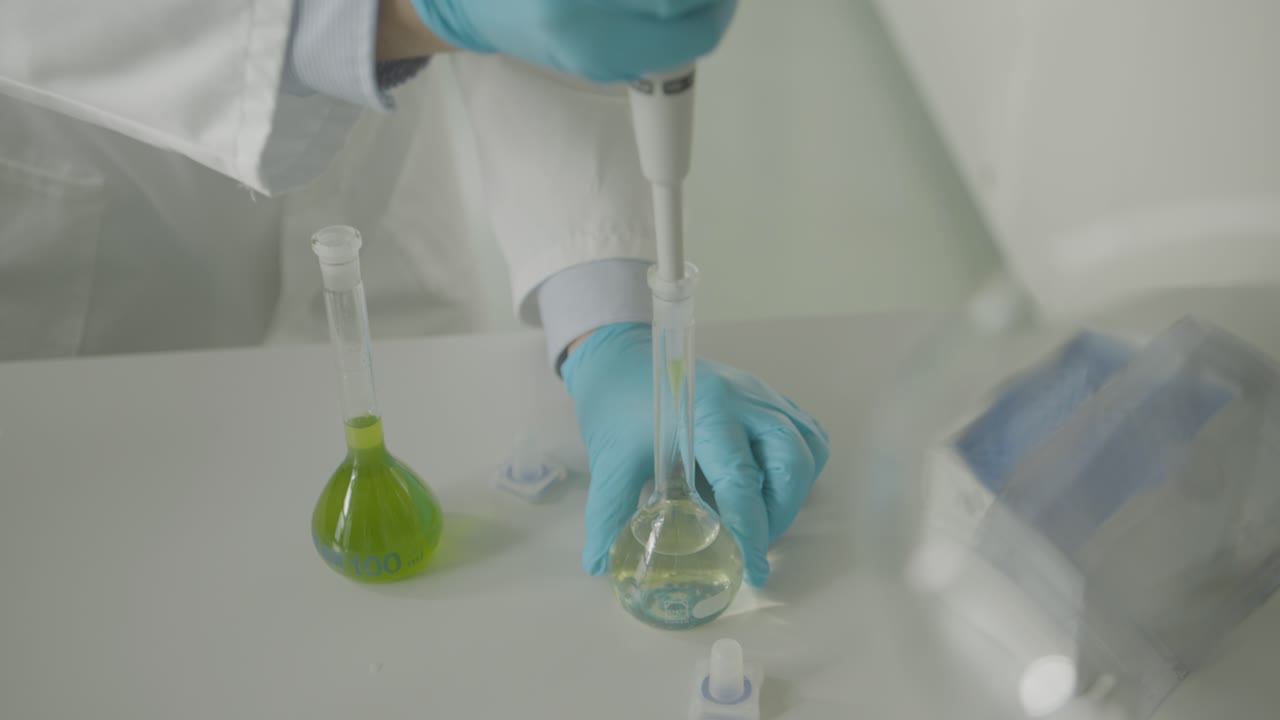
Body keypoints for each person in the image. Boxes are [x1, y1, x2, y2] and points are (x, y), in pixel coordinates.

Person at [0, 0, 827, 586]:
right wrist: (366, 15)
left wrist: (603, 316)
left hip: (381, 224)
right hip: (96, 249)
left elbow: (548, 19)